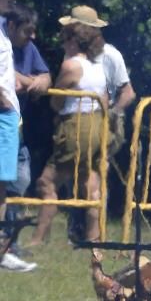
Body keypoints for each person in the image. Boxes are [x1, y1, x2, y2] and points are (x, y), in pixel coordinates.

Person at [57, 5, 134, 241]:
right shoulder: (72, 54)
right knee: (79, 178)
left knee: (94, 177)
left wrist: (111, 114)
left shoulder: (109, 54)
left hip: (102, 123)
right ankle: (81, 229)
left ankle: (93, 235)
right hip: (76, 121)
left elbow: (128, 92)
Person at [28, 21, 108, 246]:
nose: (63, 44)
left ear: (73, 41)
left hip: (75, 127)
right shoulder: (97, 68)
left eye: (65, 40)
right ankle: (95, 240)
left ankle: (38, 239)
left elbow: (56, 101)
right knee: (90, 184)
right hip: (96, 127)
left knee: (47, 182)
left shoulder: (71, 66)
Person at [3, 4, 49, 258]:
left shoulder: (29, 48)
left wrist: (36, 80)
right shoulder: (2, 42)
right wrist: (31, 81)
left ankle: (10, 243)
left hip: (17, 129)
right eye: (26, 31)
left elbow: (45, 79)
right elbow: (10, 79)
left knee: (20, 181)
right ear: (11, 27)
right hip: (5, 123)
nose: (32, 36)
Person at [0, 0, 36, 272]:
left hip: (8, 115)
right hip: (2, 113)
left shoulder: (2, 26)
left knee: (3, 184)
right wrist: (6, 103)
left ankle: (1, 248)